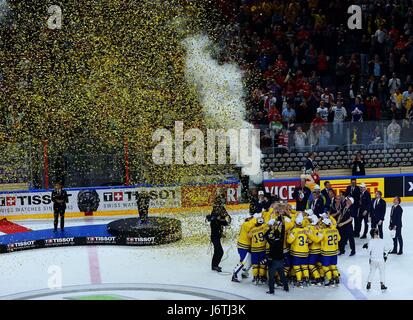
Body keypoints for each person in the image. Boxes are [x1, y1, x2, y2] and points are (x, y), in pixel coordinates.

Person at [206, 192, 231, 272]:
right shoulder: (215, 215)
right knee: (220, 252)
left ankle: (214, 266)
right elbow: (213, 220)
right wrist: (219, 219)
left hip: (217, 236)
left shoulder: (219, 211)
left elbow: (226, 220)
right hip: (215, 236)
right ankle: (214, 266)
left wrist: (224, 220)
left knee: (217, 251)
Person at [265, 217, 289, 294]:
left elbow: (265, 236)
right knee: (282, 276)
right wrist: (283, 223)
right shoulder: (281, 241)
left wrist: (270, 229)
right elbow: (283, 233)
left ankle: (271, 291)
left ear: (273, 236)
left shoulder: (271, 242)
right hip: (281, 261)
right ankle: (286, 288)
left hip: (273, 262)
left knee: (271, 277)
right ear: (278, 235)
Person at [287, 214, 310, 287]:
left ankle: (299, 281)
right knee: (304, 266)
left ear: (296, 223)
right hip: (305, 251)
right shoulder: (306, 230)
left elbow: (289, 241)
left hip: (297, 252)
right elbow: (310, 241)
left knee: (297, 267)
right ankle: (306, 279)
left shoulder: (294, 231)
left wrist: (288, 234)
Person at [232, 213, 256, 282]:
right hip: (243, 246)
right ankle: (235, 274)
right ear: (248, 218)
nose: (252, 219)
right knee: (243, 261)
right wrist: (256, 218)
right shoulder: (245, 224)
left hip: (247, 246)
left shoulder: (248, 224)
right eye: (251, 218)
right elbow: (253, 224)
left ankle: (243, 273)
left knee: (250, 262)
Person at [320, 218, 341, 287]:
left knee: (325, 267)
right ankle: (336, 277)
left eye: (323, 223)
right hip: (334, 251)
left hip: (327, 252)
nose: (322, 224)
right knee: (333, 265)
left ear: (325, 225)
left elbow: (317, 239)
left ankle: (330, 280)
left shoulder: (323, 231)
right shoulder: (335, 230)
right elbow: (339, 239)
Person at [248, 217, 269, 284]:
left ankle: (255, 277)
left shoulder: (253, 229)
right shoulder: (264, 227)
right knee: (262, 264)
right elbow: (268, 228)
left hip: (254, 249)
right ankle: (260, 277)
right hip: (262, 249)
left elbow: (249, 236)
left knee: (255, 265)